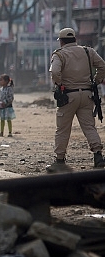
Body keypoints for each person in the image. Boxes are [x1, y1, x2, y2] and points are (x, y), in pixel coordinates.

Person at [47, 27, 105, 172]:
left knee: (63, 129)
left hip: (67, 96)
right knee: (89, 127)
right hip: (87, 95)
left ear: (61, 41)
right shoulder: (88, 51)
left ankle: (60, 160)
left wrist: (59, 84)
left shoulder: (59, 54)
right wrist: (96, 81)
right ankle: (98, 156)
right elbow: (102, 66)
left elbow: (55, 71)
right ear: (75, 39)